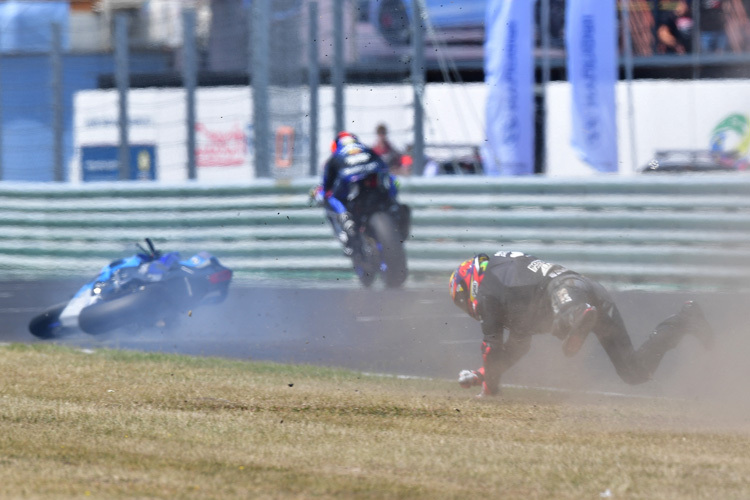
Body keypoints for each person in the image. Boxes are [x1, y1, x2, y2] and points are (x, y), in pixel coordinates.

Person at [450, 251, 715, 397]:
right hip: (591, 290)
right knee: (634, 373)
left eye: (462, 298)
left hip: (566, 289)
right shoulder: (510, 299)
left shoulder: (487, 288)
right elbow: (514, 350)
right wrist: (482, 374)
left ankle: (579, 315)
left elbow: (492, 347)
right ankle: (684, 319)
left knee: (568, 314)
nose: (467, 306)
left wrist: (489, 389)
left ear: (469, 281)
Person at [311, 131, 408, 257]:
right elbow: (385, 169)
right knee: (392, 181)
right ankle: (394, 206)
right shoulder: (367, 149)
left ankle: (344, 216)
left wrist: (318, 193)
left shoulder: (335, 158)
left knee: (329, 197)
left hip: (350, 189)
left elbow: (325, 187)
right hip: (375, 185)